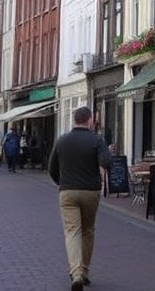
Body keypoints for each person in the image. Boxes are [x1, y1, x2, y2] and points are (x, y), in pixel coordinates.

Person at [48, 107, 111, 291]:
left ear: (75, 120)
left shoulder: (62, 140)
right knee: (88, 230)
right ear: (89, 120)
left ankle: (75, 274)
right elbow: (106, 162)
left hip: (67, 192)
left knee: (72, 232)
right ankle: (84, 272)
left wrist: (63, 183)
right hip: (90, 192)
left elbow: (51, 169)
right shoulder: (97, 140)